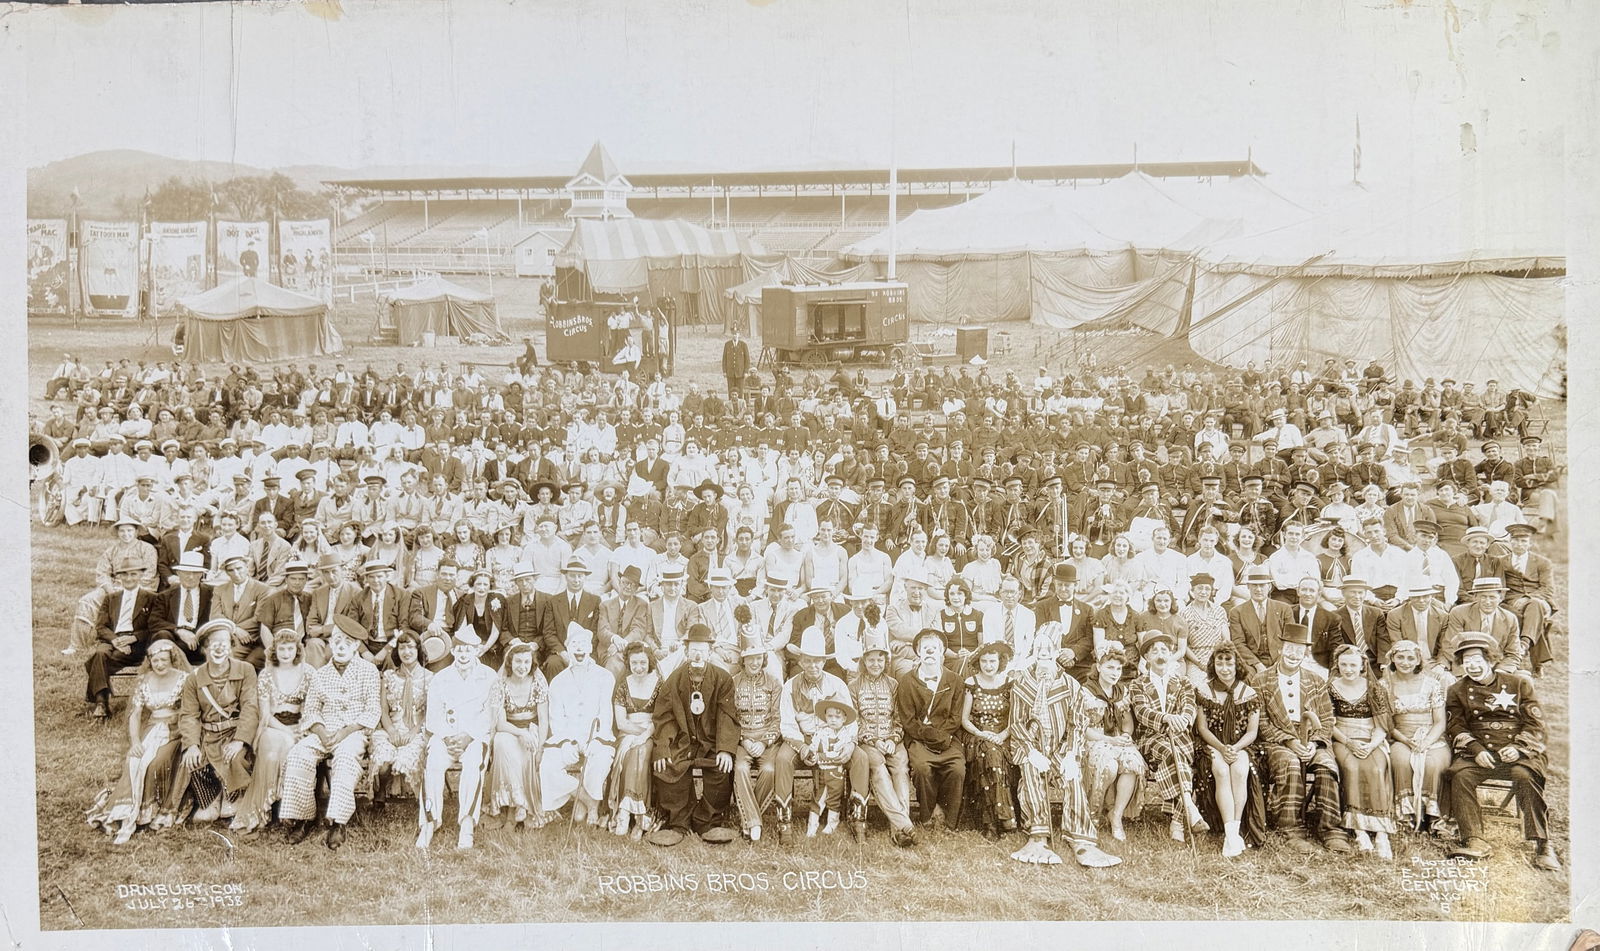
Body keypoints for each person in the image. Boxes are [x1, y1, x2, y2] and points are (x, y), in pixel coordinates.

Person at [1442, 631, 1559, 870]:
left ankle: (1543, 843)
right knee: (1461, 776)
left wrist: (1518, 748)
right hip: (1480, 753)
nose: (1472, 666)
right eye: (1466, 661)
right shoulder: (1457, 690)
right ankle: (1474, 839)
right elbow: (1456, 725)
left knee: (1524, 776)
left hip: (1518, 753)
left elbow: (1537, 725)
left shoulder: (1518, 683)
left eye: (1477, 659)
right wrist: (1475, 749)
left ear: (1491, 660)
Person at [1007, 629, 1121, 867]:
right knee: (1030, 771)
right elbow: (1016, 723)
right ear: (1034, 654)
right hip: (1032, 748)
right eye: (1040, 651)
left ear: (1056, 653)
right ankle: (1038, 837)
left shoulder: (1070, 685)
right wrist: (1032, 751)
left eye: (1049, 651)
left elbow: (1077, 724)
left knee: (1072, 776)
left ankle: (1081, 840)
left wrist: (1070, 754)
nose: (1044, 655)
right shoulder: (1021, 683)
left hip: (1060, 748)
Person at [279, 618, 381, 850]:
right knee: (298, 754)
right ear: (330, 645)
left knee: (345, 759)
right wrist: (322, 732)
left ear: (356, 646)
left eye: (348, 642)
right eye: (337, 642)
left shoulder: (368, 670)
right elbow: (312, 710)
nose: (342, 647)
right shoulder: (321, 674)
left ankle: (338, 821)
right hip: (325, 730)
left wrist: (346, 731)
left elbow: (373, 709)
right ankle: (304, 817)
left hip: (353, 732)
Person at [1250, 622, 1349, 853]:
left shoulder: (1315, 680)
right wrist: (1290, 741)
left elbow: (1326, 719)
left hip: (1311, 739)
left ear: (1306, 652)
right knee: (1291, 763)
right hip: (1277, 742)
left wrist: (1314, 744)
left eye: (1300, 649)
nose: (1294, 654)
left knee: (1326, 765)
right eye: (1290, 647)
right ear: (1281, 647)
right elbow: (1262, 723)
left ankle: (1330, 829)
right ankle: (1291, 828)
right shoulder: (1261, 680)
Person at [85, 638, 191, 844]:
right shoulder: (144, 680)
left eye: (163, 660)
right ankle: (127, 807)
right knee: (134, 761)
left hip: (175, 731)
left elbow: (191, 709)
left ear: (172, 659)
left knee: (156, 763)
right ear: (149, 661)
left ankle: (152, 809)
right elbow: (135, 714)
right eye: (155, 660)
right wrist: (135, 741)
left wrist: (176, 717)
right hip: (152, 728)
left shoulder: (184, 679)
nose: (159, 664)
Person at [647, 623, 739, 846]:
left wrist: (725, 749)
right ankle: (678, 823)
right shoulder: (674, 680)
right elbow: (665, 716)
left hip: (711, 741)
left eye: (703, 649)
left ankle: (708, 821)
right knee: (668, 764)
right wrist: (662, 747)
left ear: (710, 651)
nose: (698, 654)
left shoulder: (723, 679)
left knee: (721, 766)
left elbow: (727, 716)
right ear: (686, 651)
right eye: (694, 649)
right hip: (683, 740)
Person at [774, 626, 859, 843]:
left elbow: (851, 720)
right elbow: (787, 723)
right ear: (800, 661)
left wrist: (849, 744)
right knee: (783, 759)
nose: (813, 665)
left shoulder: (836, 684)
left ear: (824, 662)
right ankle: (784, 821)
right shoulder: (790, 686)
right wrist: (802, 746)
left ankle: (858, 817)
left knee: (861, 757)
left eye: (817, 660)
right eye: (808, 660)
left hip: (834, 738)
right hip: (802, 738)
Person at [417, 622, 498, 850]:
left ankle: (467, 824)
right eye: (459, 649)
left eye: (469, 649)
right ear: (453, 651)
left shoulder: (489, 677)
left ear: (477, 650)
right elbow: (433, 717)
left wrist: (468, 736)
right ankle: (429, 823)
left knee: (473, 766)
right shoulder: (440, 678)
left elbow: (490, 716)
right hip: (446, 738)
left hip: (474, 738)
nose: (464, 654)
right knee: (432, 765)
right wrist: (448, 738)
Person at [230, 629, 314, 834]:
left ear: (298, 649)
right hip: (273, 725)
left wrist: (301, 730)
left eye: (290, 648)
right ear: (274, 650)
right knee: (273, 750)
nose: (286, 653)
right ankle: (260, 810)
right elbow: (265, 714)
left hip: (301, 725)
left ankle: (290, 810)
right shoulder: (266, 674)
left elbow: (312, 707)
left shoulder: (309, 672)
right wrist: (287, 732)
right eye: (281, 649)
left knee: (295, 748)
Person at [177, 620, 260, 825]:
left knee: (237, 757)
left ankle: (233, 797)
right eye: (213, 643)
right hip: (208, 734)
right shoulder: (194, 679)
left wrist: (240, 740)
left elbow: (250, 707)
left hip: (235, 731)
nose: (219, 647)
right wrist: (192, 745)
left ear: (232, 646)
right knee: (195, 761)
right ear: (205, 648)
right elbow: (189, 715)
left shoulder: (246, 669)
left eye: (224, 642)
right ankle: (211, 800)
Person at [1130, 629, 1207, 842]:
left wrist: (1182, 720)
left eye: (1164, 649)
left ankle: (1177, 819)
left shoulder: (1183, 683)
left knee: (1177, 757)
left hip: (1180, 738)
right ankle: (1189, 809)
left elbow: (1189, 709)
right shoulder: (1138, 684)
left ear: (1171, 653)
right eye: (1154, 651)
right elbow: (1142, 712)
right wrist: (1166, 718)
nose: (1160, 654)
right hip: (1150, 740)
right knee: (1171, 754)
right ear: (1147, 657)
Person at [1193, 644, 1266, 857]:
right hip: (1213, 744)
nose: (1224, 668)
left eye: (1229, 662)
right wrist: (1221, 748)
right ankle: (1230, 832)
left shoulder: (1248, 692)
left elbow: (1252, 732)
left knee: (1240, 770)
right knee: (1221, 771)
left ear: (1237, 665)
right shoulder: (1204, 691)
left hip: (1240, 745)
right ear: (1213, 665)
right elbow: (1202, 728)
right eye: (1219, 662)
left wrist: (1234, 748)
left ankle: (1233, 832)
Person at [540, 623, 616, 825]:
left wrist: (597, 740)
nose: (579, 648)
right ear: (568, 648)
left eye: (583, 644)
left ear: (590, 648)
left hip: (595, 736)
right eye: (574, 644)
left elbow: (605, 713)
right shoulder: (558, 682)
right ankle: (587, 800)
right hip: (567, 737)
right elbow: (556, 718)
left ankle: (583, 806)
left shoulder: (605, 677)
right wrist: (566, 742)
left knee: (599, 761)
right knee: (547, 766)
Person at [847, 626, 917, 846]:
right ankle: (904, 826)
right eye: (871, 660)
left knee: (900, 768)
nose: (875, 664)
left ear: (886, 661)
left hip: (891, 740)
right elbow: (853, 722)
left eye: (879, 659)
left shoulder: (893, 685)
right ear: (864, 661)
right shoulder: (854, 686)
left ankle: (898, 829)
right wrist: (875, 741)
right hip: (868, 743)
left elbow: (899, 719)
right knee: (878, 768)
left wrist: (892, 739)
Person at [1327, 644, 1396, 859]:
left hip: (1371, 738)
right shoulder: (1330, 687)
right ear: (1337, 665)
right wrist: (1349, 742)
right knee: (1352, 767)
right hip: (1342, 738)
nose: (1348, 669)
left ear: (1362, 665)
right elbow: (1328, 722)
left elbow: (1382, 724)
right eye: (1344, 664)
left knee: (1375, 768)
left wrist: (1371, 744)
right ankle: (1359, 830)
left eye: (1353, 665)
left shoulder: (1374, 688)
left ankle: (1382, 833)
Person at [895, 628, 967, 831]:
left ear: (942, 651)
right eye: (925, 648)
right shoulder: (907, 682)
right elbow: (908, 720)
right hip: (919, 738)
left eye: (934, 648)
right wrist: (929, 736)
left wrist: (943, 736)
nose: (929, 652)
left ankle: (948, 818)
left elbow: (955, 717)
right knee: (921, 768)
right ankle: (928, 815)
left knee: (957, 769)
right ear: (918, 651)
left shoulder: (955, 681)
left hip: (948, 737)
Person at [1379, 639, 1451, 833]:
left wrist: (1427, 741)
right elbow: (1387, 723)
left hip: (1431, 735)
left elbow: (1440, 722)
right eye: (1400, 657)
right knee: (1401, 760)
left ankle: (1433, 818)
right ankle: (1405, 816)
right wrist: (1405, 740)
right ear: (1392, 658)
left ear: (1419, 660)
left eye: (1411, 658)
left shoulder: (1432, 684)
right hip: (1400, 736)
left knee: (1433, 762)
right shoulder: (1384, 685)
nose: (1405, 662)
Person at [484, 640, 551, 831]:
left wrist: (540, 748)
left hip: (532, 729)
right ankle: (517, 804)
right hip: (509, 729)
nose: (522, 667)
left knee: (526, 748)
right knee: (502, 743)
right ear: (510, 663)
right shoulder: (501, 685)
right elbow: (500, 724)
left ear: (532, 664)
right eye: (518, 662)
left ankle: (517, 811)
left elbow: (544, 720)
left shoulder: (538, 683)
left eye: (526, 662)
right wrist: (520, 733)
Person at [1082, 642, 1145, 842]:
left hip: (1116, 737)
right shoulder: (1086, 691)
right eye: (1109, 667)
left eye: (1118, 668)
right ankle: (1093, 814)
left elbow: (1127, 723)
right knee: (1108, 765)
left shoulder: (1122, 692)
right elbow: (1084, 729)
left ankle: (1116, 815)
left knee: (1132, 762)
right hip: (1094, 739)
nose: (1114, 672)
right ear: (1098, 667)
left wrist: (1126, 736)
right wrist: (1110, 740)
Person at [86, 555, 161, 719]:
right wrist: (115, 640)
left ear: (141, 575)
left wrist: (133, 638)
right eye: (124, 574)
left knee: (98, 660)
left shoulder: (151, 599)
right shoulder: (111, 598)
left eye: (133, 574)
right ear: (118, 577)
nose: (129, 578)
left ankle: (99, 702)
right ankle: (102, 703)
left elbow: (154, 627)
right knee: (100, 653)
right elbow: (100, 626)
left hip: (136, 643)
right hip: (112, 639)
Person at [367, 630, 431, 808]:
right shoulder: (388, 676)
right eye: (402, 647)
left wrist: (413, 731)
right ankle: (380, 794)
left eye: (410, 647)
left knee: (405, 758)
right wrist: (391, 731)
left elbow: (429, 713)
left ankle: (420, 800)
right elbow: (383, 710)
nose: (406, 652)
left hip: (417, 729)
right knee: (384, 761)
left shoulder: (430, 678)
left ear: (418, 650)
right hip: (391, 728)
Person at [960, 640, 1017, 838]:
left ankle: (997, 820)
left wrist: (1002, 735)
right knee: (990, 755)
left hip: (1003, 735)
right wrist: (982, 734)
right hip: (977, 734)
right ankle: (996, 821)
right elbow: (964, 719)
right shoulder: (971, 683)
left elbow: (1014, 718)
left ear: (1000, 661)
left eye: (992, 661)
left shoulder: (1009, 682)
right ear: (979, 663)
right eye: (984, 661)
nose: (988, 665)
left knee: (995, 755)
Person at [730, 634, 782, 842]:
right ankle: (755, 822)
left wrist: (764, 741)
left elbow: (778, 719)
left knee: (769, 770)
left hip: (767, 740)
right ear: (743, 660)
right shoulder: (733, 682)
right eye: (750, 658)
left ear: (764, 658)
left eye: (758, 657)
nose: (754, 662)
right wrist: (744, 740)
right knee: (741, 768)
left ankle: (749, 821)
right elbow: (730, 719)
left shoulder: (774, 683)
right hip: (743, 739)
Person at [608, 642, 660, 838]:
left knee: (642, 751)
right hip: (628, 732)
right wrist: (637, 734)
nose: (639, 667)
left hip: (650, 733)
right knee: (631, 752)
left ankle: (636, 814)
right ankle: (626, 812)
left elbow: (659, 718)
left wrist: (645, 736)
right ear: (629, 663)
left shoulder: (658, 683)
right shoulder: (623, 685)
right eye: (635, 663)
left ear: (649, 662)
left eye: (643, 663)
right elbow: (621, 723)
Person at [805, 698, 858, 837]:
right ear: (825, 717)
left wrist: (821, 756)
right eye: (830, 716)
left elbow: (838, 754)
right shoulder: (821, 733)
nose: (833, 720)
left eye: (837, 716)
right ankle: (812, 826)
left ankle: (832, 824)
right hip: (822, 772)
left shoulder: (845, 735)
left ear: (844, 718)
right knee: (818, 797)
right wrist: (811, 754)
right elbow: (813, 747)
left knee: (834, 798)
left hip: (836, 772)